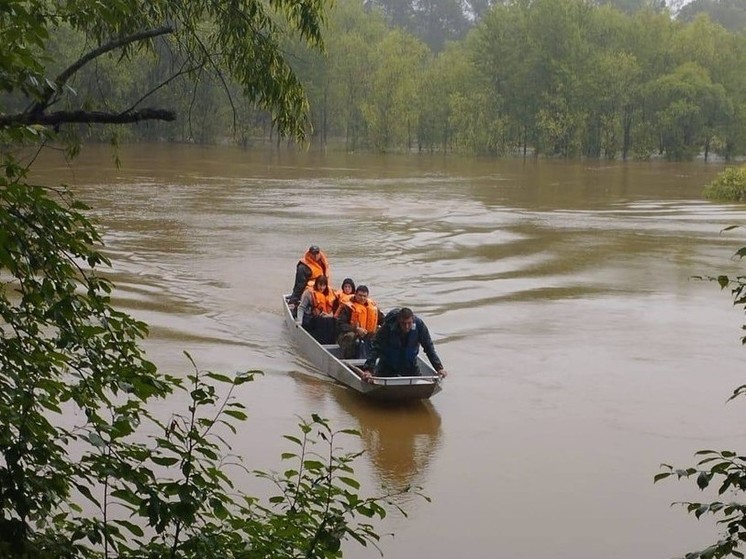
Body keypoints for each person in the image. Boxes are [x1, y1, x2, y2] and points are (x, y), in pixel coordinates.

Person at [360, 307, 447, 382]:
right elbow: (376, 348)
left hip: (410, 365)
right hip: (388, 365)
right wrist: (368, 369)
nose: (406, 327)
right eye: (403, 323)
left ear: (412, 320)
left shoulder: (419, 325)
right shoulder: (388, 327)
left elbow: (429, 347)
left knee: (419, 384)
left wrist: (439, 368)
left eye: (409, 323)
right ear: (398, 320)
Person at [336, 285, 384, 359]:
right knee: (350, 336)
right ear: (355, 294)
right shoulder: (347, 307)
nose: (362, 298)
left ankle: (377, 359)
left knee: (381, 334)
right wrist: (356, 329)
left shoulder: (373, 308)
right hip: (349, 334)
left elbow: (382, 320)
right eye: (360, 295)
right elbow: (340, 324)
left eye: (364, 296)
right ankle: (348, 359)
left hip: (367, 334)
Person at [295, 275, 338, 344]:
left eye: (324, 285)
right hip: (309, 317)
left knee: (330, 321)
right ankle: (319, 341)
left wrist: (328, 315)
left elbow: (332, 311)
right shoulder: (308, 293)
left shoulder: (329, 294)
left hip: (324, 317)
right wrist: (299, 321)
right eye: (320, 285)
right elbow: (301, 308)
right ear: (316, 284)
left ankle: (330, 342)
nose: (322, 287)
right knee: (321, 321)